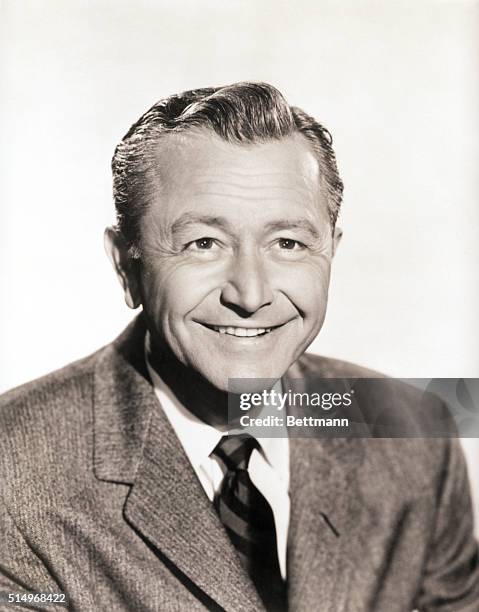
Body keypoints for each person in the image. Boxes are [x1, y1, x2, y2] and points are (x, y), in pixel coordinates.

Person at [0, 82, 478, 612]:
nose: (250, 294)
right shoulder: (12, 472)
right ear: (126, 264)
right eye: (203, 243)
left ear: (331, 254)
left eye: (288, 243)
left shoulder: (410, 431)